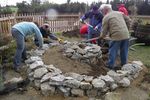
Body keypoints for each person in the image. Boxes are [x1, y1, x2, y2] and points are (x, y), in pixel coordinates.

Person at [100, 4, 131, 70]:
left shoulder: (106, 17)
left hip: (116, 36)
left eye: (102, 10)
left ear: (105, 10)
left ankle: (110, 65)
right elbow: (128, 20)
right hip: (126, 34)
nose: (102, 12)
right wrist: (126, 29)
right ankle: (124, 64)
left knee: (113, 50)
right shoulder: (120, 13)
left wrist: (101, 36)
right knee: (124, 50)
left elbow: (104, 30)